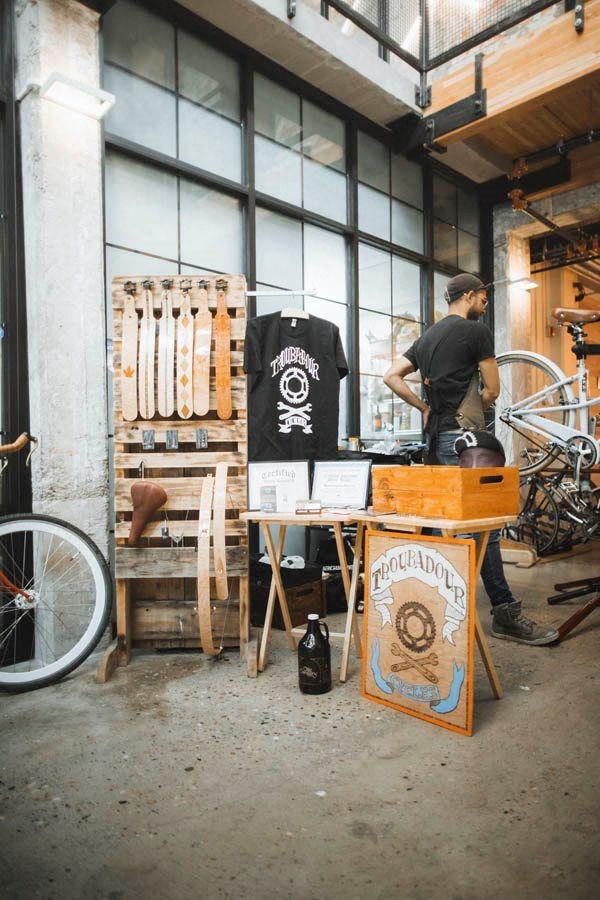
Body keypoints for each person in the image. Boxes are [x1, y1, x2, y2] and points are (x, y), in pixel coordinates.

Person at [383, 273, 558, 646]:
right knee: (486, 526)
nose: (485, 303)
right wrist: (480, 403)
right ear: (468, 296)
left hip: (435, 442)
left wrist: (424, 408)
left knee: (441, 526)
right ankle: (504, 613)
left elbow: (392, 376)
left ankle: (431, 609)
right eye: (483, 297)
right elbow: (492, 389)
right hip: (466, 442)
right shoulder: (476, 332)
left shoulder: (427, 338)